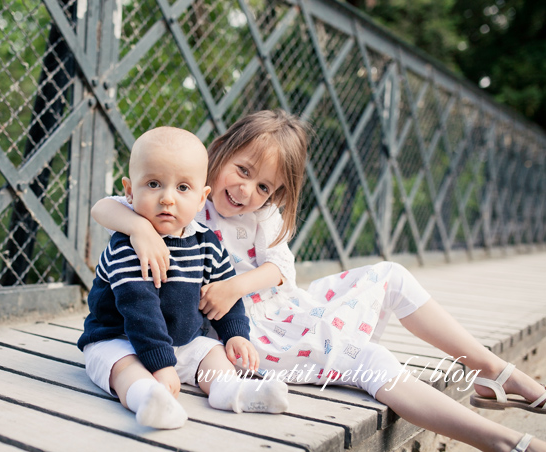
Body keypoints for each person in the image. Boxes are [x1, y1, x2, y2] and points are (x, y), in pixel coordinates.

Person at [91, 110, 546, 452]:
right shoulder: (179, 194)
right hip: (251, 332)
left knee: (393, 275)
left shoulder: (259, 215)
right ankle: (503, 442)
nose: (247, 191)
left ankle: (491, 370)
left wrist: (237, 284)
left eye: (265, 187)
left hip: (278, 304)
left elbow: (282, 270)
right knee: (366, 357)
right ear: (221, 150)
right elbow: (107, 206)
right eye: (243, 170)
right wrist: (142, 229)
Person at [77, 126, 289, 430]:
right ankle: (146, 399)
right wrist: (161, 366)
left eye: (183, 188)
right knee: (123, 367)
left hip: (181, 340)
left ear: (202, 198)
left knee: (212, 353)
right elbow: (139, 309)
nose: (167, 199)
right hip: (120, 338)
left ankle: (230, 391)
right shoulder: (127, 245)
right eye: (153, 184)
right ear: (129, 190)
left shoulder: (205, 242)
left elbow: (224, 297)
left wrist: (234, 334)